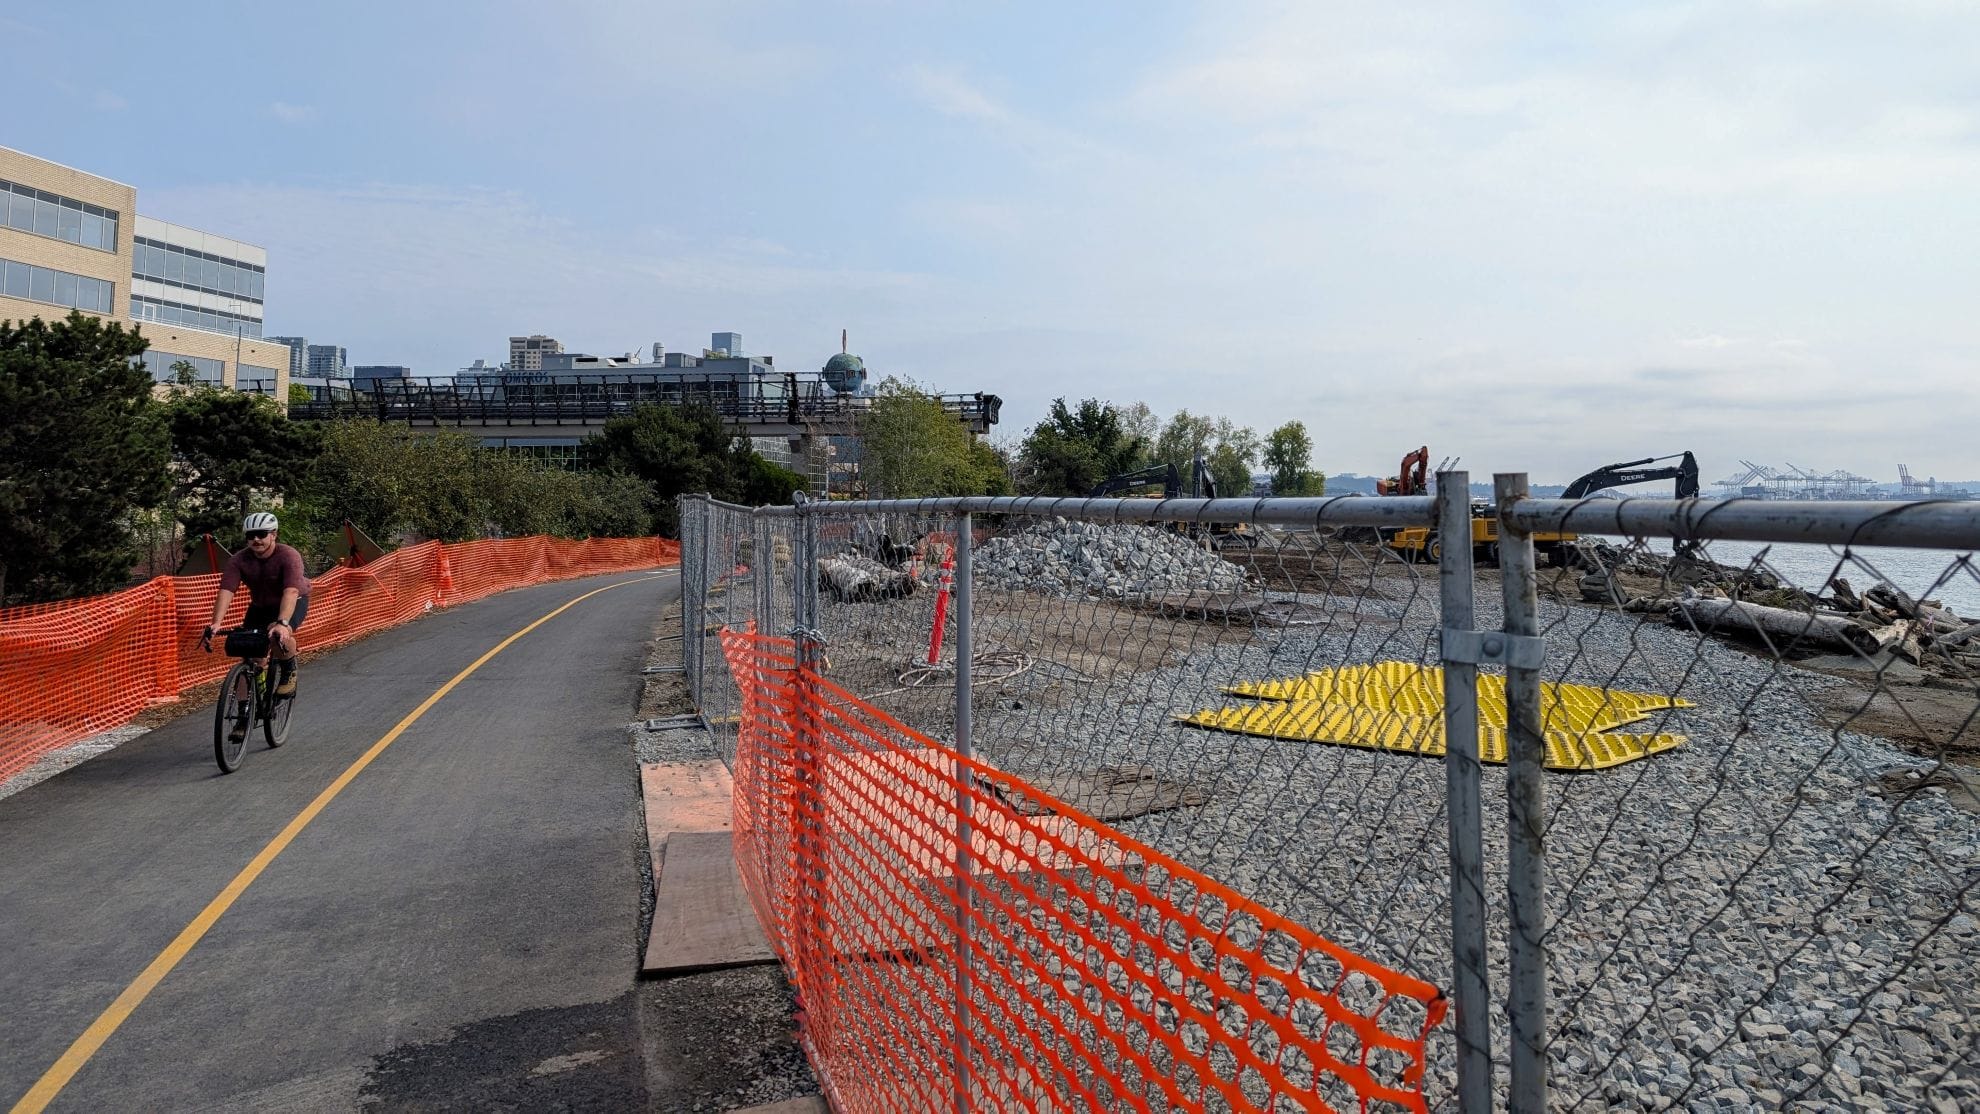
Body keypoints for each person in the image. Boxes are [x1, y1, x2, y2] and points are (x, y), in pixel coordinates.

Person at [203, 512, 311, 713]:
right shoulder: (239, 560)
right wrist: (216, 622)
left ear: (274, 535)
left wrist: (282, 622)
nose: (256, 539)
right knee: (250, 657)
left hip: (292, 601)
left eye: (261, 534)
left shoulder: (288, 555)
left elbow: (291, 590)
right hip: (260, 606)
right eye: (250, 535)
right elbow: (226, 591)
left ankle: (289, 669)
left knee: (277, 632)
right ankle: (244, 713)